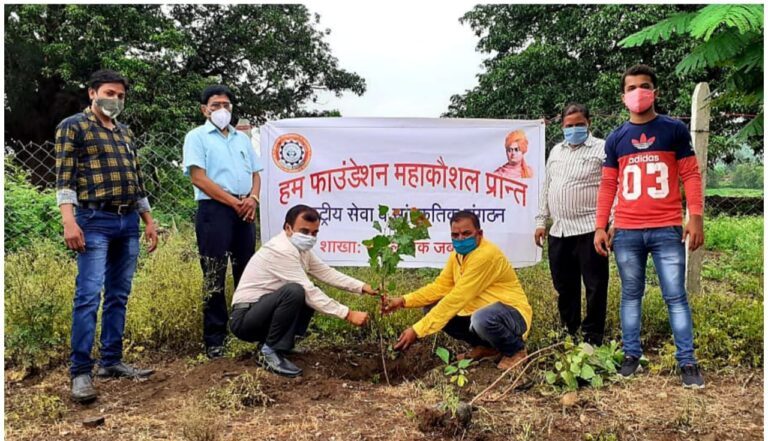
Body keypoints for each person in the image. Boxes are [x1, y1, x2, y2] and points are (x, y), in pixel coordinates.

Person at [594, 64, 705, 388]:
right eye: (631, 88)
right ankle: (631, 355)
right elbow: (607, 186)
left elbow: (691, 175)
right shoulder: (616, 139)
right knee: (631, 295)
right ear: (623, 96)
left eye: (644, 86)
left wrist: (694, 216)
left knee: (675, 296)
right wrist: (602, 226)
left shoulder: (673, 131)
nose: (638, 92)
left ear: (654, 92)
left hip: (666, 228)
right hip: (626, 232)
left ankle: (687, 361)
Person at [55, 69, 159, 403]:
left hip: (127, 220)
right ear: (92, 94)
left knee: (119, 294)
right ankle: (80, 372)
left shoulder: (125, 133)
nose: (115, 100)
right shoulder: (73, 126)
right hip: (93, 219)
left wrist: (148, 220)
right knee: (88, 296)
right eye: (109, 93)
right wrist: (69, 222)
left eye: (120, 95)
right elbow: (64, 179)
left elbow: (137, 181)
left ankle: (111, 361)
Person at [229, 204, 378, 377]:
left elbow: (326, 272)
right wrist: (348, 314)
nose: (310, 237)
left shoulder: (300, 249)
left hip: (262, 312)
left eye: (314, 233)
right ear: (288, 228)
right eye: (304, 232)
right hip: (245, 319)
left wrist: (362, 286)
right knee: (296, 292)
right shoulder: (281, 249)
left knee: (303, 293)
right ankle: (268, 352)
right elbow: (309, 291)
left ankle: (283, 346)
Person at [383, 211, 532, 370]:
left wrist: (416, 330)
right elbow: (439, 287)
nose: (460, 239)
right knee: (431, 307)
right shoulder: (457, 256)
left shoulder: (486, 255)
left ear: (479, 234)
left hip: (512, 316)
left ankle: (515, 350)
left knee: (481, 318)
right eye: (455, 235)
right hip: (480, 313)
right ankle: (487, 348)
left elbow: (456, 298)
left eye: (466, 233)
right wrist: (403, 301)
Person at [183, 85, 263, 359]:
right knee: (214, 273)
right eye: (215, 105)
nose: (222, 110)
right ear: (204, 109)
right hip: (214, 211)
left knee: (247, 272)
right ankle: (215, 339)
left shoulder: (241, 139)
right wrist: (233, 201)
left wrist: (252, 199)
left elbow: (256, 173)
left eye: (226, 105)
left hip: (245, 209)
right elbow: (198, 178)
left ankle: (248, 331)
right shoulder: (197, 137)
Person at [535, 103, 609, 345]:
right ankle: (570, 332)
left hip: (590, 230)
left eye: (579, 124)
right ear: (562, 127)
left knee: (595, 286)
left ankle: (593, 336)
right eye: (569, 126)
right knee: (564, 286)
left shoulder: (602, 149)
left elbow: (613, 186)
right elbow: (546, 187)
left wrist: (610, 223)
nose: (574, 129)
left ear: (589, 124)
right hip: (559, 230)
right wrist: (540, 221)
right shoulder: (556, 151)